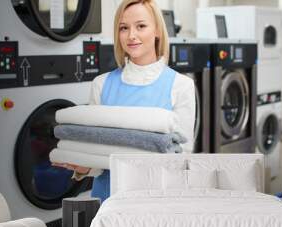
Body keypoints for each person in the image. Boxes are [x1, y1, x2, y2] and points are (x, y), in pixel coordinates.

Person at [53, 0, 195, 202]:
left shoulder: (180, 86)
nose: (131, 36)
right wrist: (85, 166)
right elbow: (96, 152)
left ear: (157, 31)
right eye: (123, 28)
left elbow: (182, 159)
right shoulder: (101, 84)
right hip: (108, 200)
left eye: (141, 26)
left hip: (156, 202)